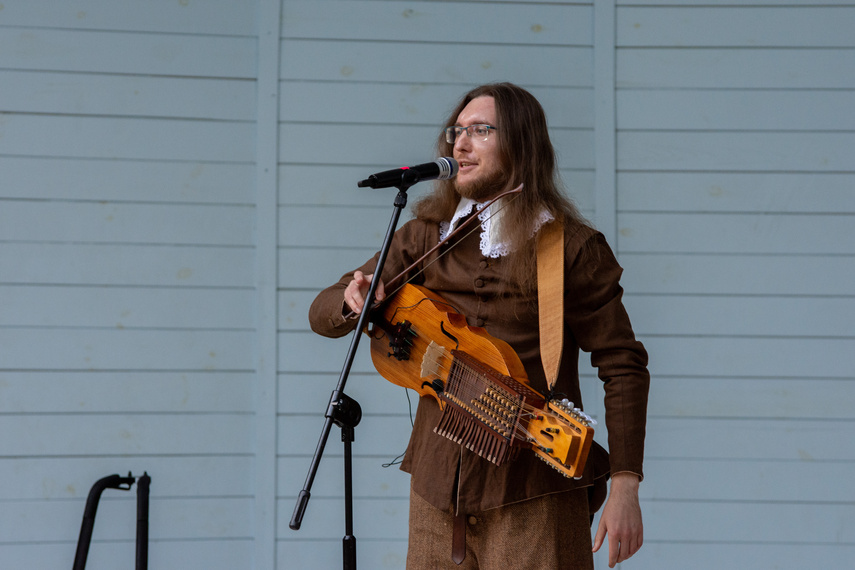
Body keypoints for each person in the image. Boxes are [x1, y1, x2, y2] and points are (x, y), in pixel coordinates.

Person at [308, 82, 649, 569]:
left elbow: (623, 365)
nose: (460, 145)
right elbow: (324, 310)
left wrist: (625, 483)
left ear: (521, 146)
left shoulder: (572, 247)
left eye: (481, 131)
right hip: (434, 488)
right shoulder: (427, 233)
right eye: (457, 131)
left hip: (534, 488)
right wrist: (351, 299)